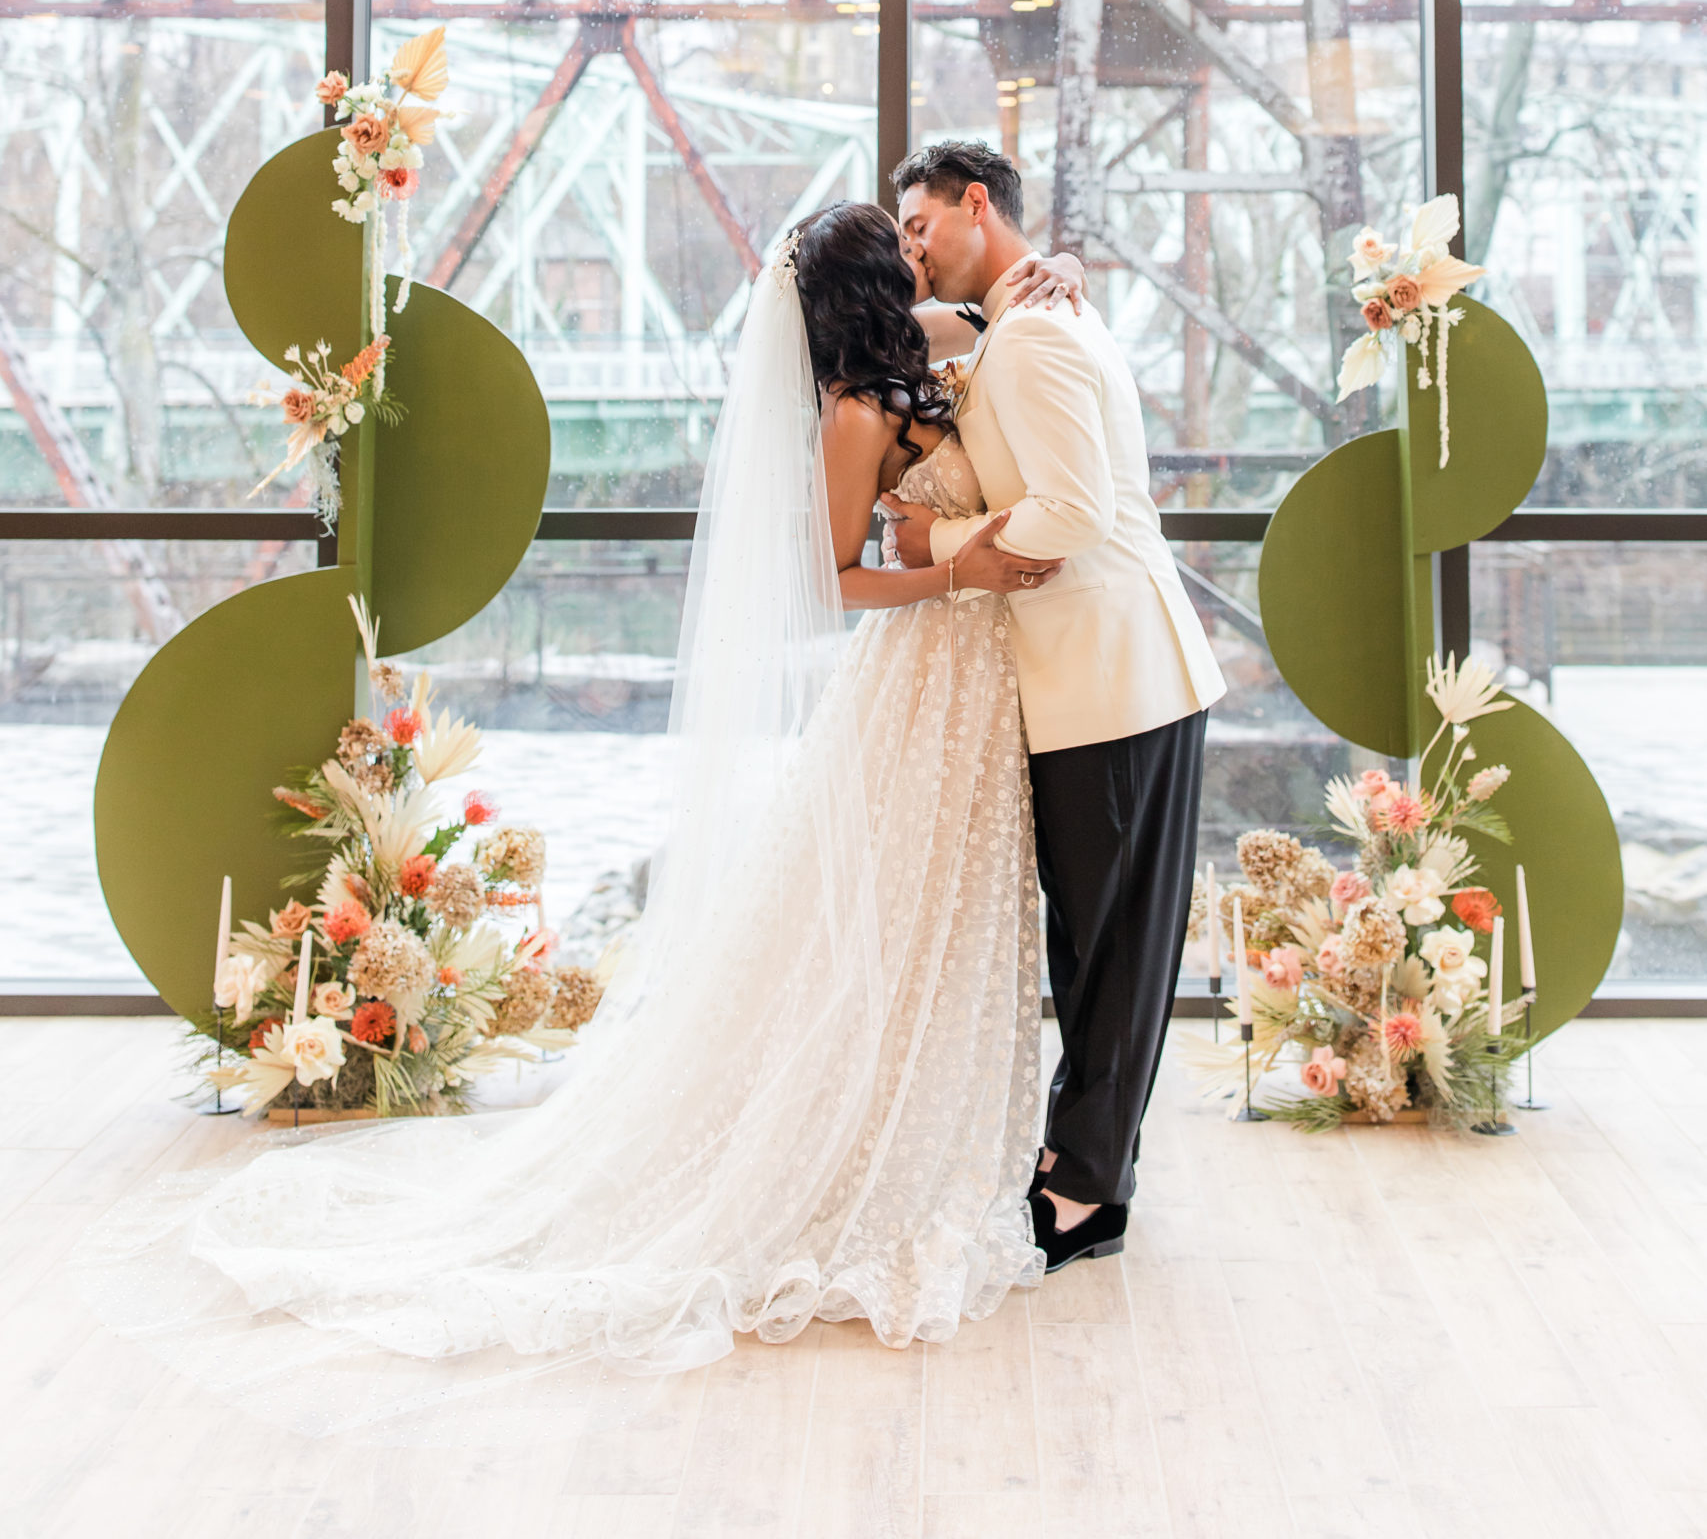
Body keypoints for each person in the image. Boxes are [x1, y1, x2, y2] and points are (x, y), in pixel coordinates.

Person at [79, 204, 1083, 1394]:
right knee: (870, 927)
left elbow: (999, 313)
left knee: (943, 924)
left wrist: (1048, 273)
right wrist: (953, 567)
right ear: (873, 283)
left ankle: (925, 1139)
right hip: (921, 670)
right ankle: (838, 1153)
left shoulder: (919, 352)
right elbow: (830, 578)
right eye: (905, 252)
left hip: (972, 687)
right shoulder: (854, 413)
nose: (927, 263)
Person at [884, 140, 1226, 1273]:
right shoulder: (1020, 321)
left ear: (977, 205)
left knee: (1115, 950)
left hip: (1116, 677)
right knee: (1096, 943)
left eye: (922, 225)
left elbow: (1073, 513)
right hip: (1101, 678)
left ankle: (1083, 1187)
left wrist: (934, 543)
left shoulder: (1030, 330)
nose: (912, 248)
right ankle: (1087, 1172)